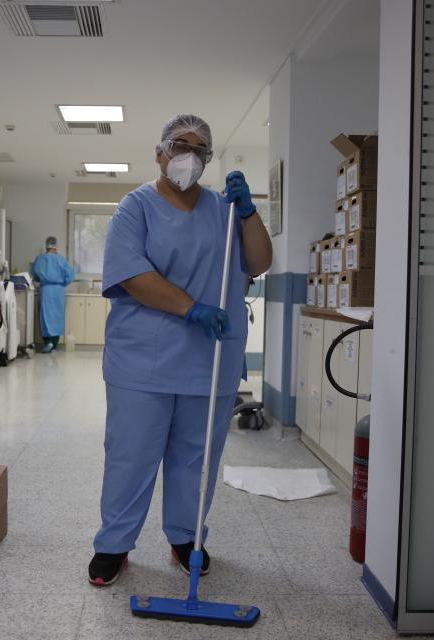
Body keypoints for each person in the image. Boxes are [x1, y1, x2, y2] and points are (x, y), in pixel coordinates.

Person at [88, 114, 273, 586]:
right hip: (142, 361)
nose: (189, 155)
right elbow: (131, 276)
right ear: (159, 152)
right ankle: (114, 544)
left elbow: (259, 261)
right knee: (132, 454)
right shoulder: (136, 208)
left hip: (208, 360)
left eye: (200, 149)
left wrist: (249, 213)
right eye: (179, 144)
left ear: (208, 160)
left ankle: (186, 537)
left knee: (197, 457)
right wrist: (190, 308)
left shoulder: (225, 210)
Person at [31, 236, 75, 353]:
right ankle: (54, 345)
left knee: (45, 317)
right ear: (56, 246)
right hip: (59, 291)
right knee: (57, 318)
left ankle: (48, 343)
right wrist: (61, 284)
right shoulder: (62, 260)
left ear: (46, 245)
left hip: (45, 290)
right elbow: (70, 276)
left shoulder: (40, 259)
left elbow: (34, 275)